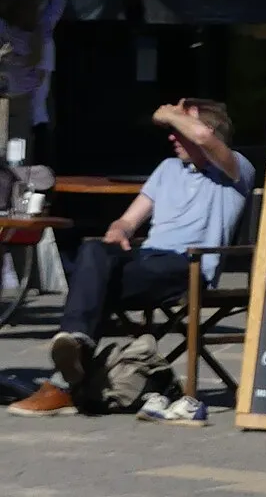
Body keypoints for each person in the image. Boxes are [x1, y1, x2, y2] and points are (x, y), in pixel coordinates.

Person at [9, 98, 253, 418]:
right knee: (93, 252)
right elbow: (129, 220)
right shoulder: (167, 169)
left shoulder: (235, 169)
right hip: (146, 259)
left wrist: (167, 113)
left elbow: (206, 140)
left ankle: (63, 384)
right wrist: (120, 229)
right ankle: (75, 347)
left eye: (179, 128)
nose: (171, 135)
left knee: (93, 285)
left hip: (186, 265)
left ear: (205, 130)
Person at [0, 0, 62, 161]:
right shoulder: (41, 34)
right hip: (28, 111)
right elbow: (59, 0)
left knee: (17, 164)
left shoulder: (39, 35)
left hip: (25, 110)